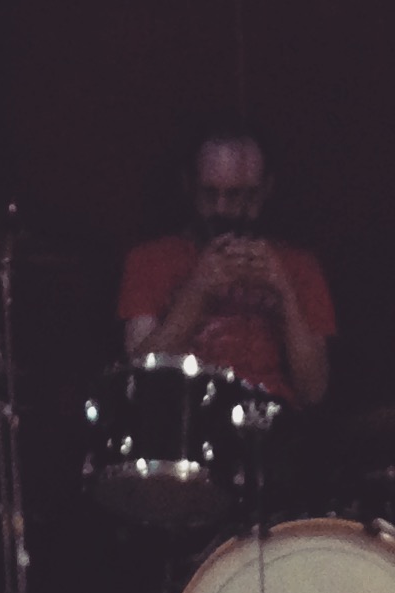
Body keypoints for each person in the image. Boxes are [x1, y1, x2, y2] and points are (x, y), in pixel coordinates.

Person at [118, 128, 334, 408]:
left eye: (236, 196)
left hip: (272, 420)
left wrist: (285, 295)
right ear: (189, 186)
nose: (221, 209)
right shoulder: (150, 260)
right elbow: (138, 380)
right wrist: (197, 293)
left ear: (264, 191)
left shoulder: (298, 265)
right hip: (185, 415)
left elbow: (313, 392)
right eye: (209, 194)